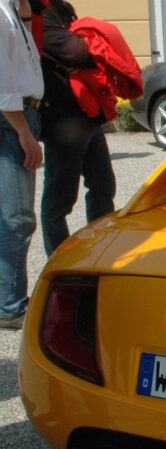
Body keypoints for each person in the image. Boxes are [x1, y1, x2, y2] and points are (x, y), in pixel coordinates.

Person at [39, 0, 115, 256]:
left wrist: (91, 57)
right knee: (59, 201)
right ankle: (60, 262)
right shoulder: (41, 11)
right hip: (63, 121)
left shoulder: (61, 8)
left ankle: (100, 252)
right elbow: (76, 50)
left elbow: (87, 51)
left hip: (89, 116)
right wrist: (94, 54)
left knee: (103, 187)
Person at [0, 0, 43, 330]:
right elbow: (3, 85)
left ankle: (9, 300)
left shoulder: (13, 10)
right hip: (13, 121)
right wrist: (24, 132)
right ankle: (10, 304)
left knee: (13, 216)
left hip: (22, 116)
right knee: (17, 218)